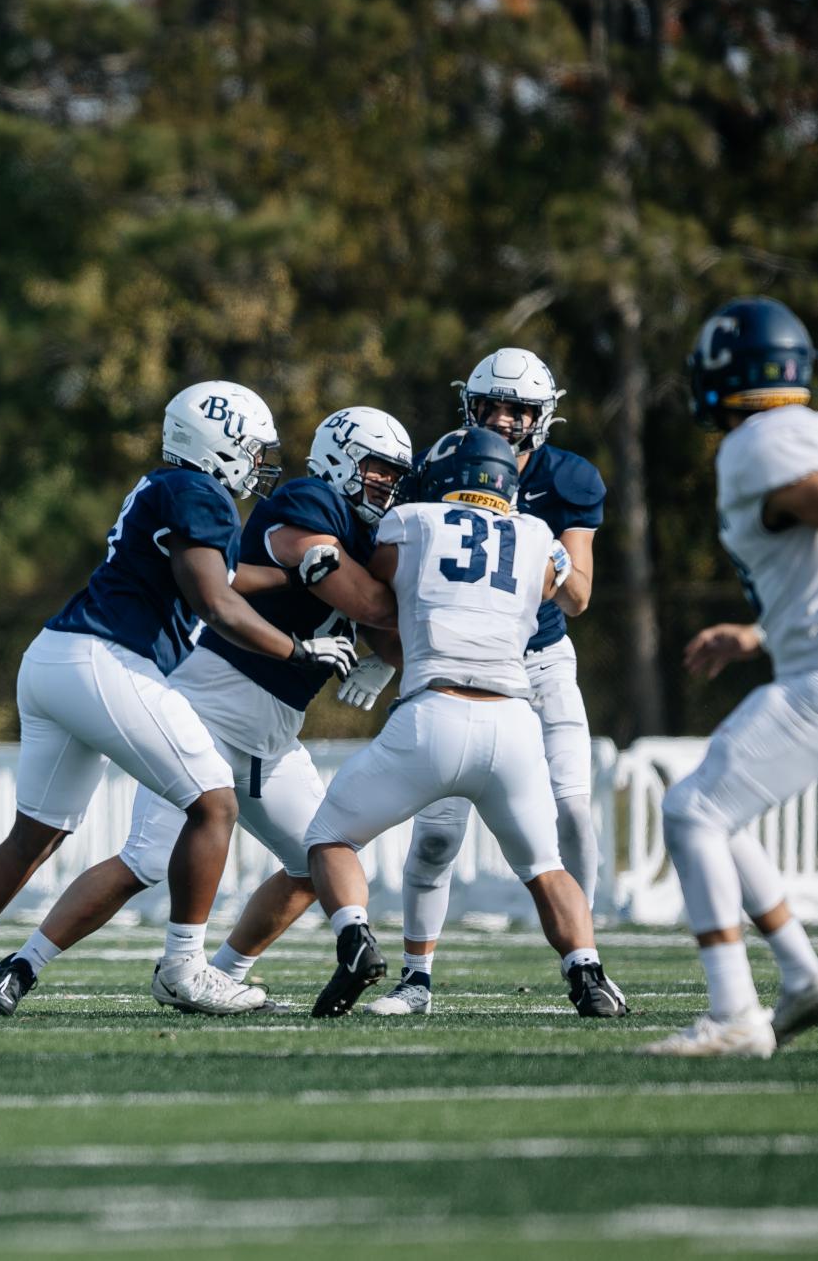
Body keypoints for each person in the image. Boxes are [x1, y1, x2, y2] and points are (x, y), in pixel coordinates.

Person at [0, 381, 359, 1017]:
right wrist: (298, 652)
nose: (260, 464)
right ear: (220, 444)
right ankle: (185, 967)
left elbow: (226, 572)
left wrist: (292, 575)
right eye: (252, 449)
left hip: (54, 657)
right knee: (213, 801)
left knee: (36, 835)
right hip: (106, 658)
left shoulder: (170, 487)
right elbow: (216, 599)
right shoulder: (200, 491)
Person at [300, 427, 627, 1020]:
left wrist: (372, 646)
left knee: (329, 836)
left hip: (434, 714)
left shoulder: (413, 521)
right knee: (545, 868)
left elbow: (375, 592)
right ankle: (588, 973)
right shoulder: (536, 535)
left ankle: (356, 938)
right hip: (514, 723)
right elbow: (570, 594)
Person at [370, 349, 607, 1015]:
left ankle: (586, 965)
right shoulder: (434, 468)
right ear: (467, 405)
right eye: (490, 405)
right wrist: (378, 646)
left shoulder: (566, 479)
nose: (501, 418)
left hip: (536, 660)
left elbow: (579, 597)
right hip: (451, 662)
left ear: (542, 415)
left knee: (573, 810)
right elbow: (393, 575)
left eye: (517, 408)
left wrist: (541, 549)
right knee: (438, 833)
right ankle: (415, 977)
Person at [643, 297, 818, 1058]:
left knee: (691, 813)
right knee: (714, 806)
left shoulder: (758, 441)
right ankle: (802, 974)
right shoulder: (792, 432)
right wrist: (756, 633)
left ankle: (734, 1013)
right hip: (801, 662)